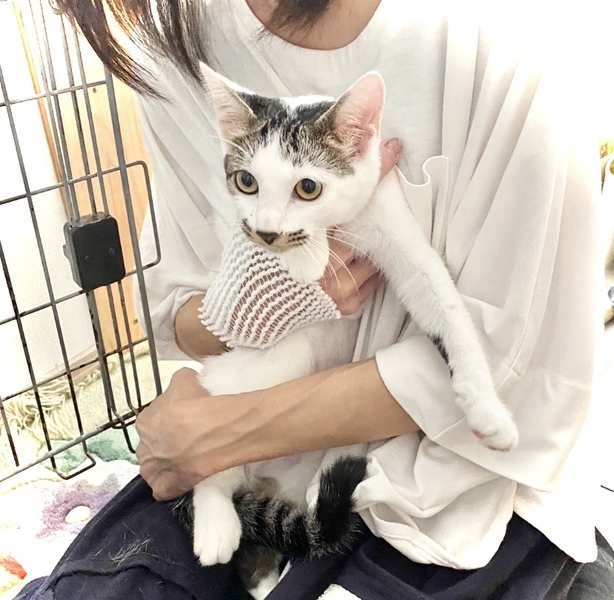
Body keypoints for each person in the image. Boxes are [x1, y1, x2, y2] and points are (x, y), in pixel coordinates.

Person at [15, 1, 613, 599]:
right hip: (239, 455)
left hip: (451, 484)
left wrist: (224, 431)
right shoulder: (176, 43)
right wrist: (259, 299)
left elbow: (521, 376)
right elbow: (176, 317)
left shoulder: (500, 44)